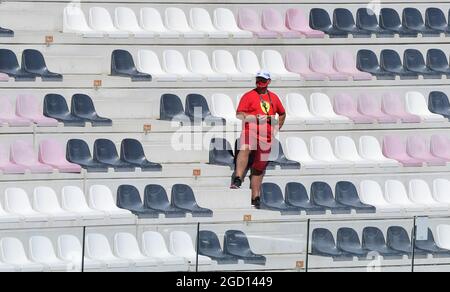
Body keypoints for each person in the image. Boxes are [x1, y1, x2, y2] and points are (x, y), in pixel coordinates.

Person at [230, 71, 286, 208]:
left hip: (266, 136)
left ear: (268, 81)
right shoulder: (249, 95)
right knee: (245, 147)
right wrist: (254, 118)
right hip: (251, 131)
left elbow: (282, 113)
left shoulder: (273, 97)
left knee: (259, 168)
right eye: (258, 79)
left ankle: (255, 196)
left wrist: (276, 128)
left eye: (263, 79)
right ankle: (238, 177)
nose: (260, 82)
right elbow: (239, 114)